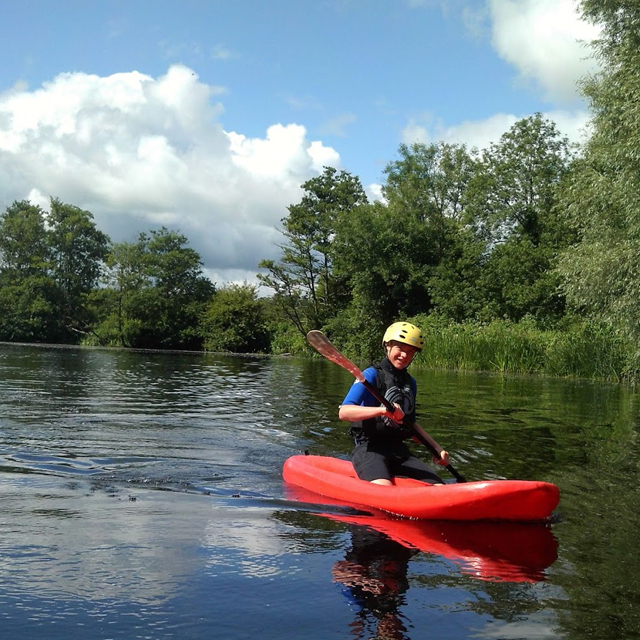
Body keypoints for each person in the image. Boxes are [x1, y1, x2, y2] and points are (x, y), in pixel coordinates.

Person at [338, 321, 450, 486]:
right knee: (384, 487)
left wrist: (437, 448)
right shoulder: (370, 375)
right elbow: (344, 412)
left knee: (440, 487)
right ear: (387, 346)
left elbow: (411, 424)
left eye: (410, 352)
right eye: (400, 348)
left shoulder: (410, 383)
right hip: (369, 449)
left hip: (399, 451)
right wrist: (382, 411)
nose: (404, 355)